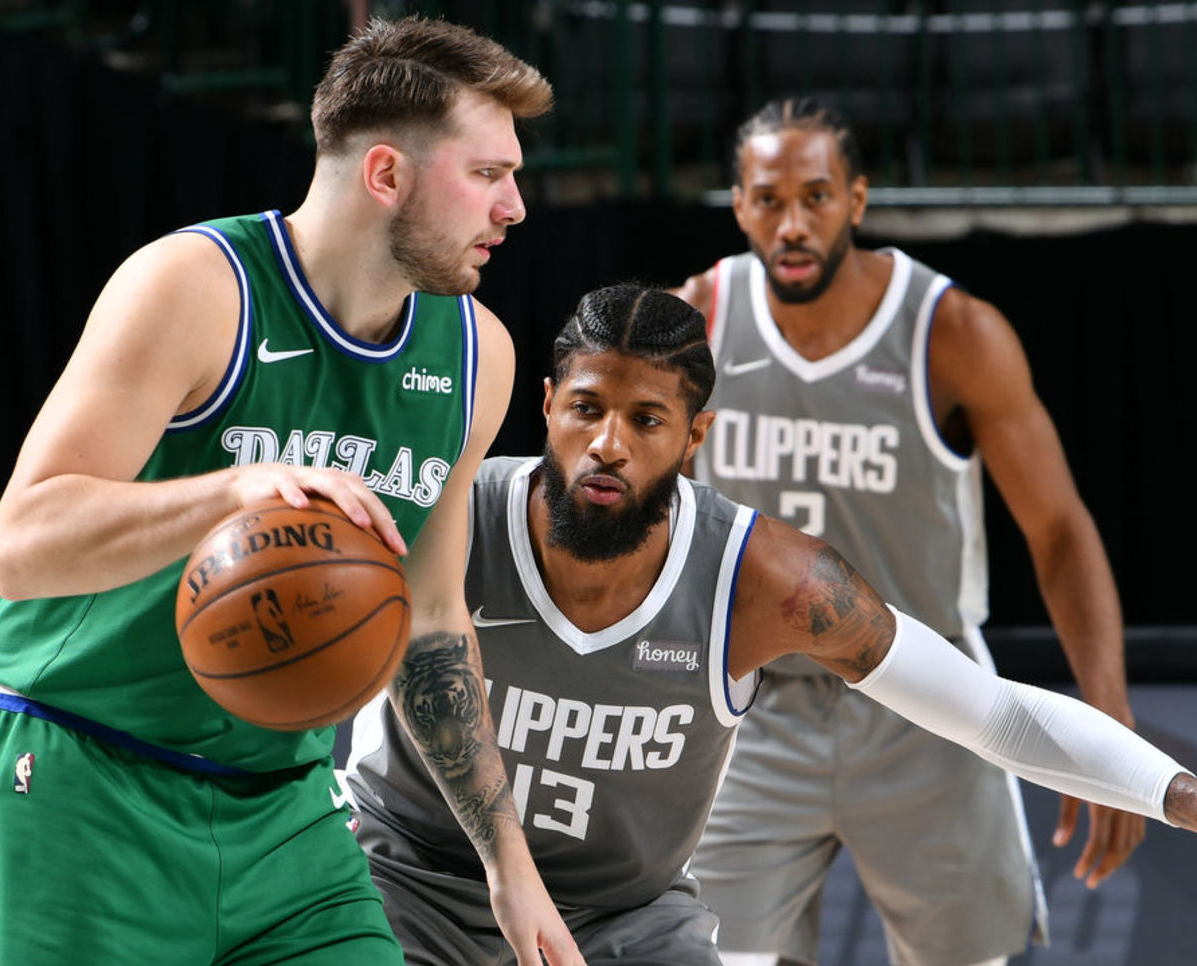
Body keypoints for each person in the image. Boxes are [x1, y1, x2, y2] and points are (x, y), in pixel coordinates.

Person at [0, 17, 584, 966]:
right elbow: (21, 547)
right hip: (82, 783)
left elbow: (435, 621)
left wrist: (509, 865)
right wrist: (228, 492)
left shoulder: (475, 354)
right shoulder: (195, 287)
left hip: (287, 822)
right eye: (489, 175)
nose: (517, 207)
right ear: (385, 174)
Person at [342, 283, 1197, 966]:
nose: (607, 443)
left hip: (620, 919)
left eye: (646, 420)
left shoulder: (769, 580)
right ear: (546, 406)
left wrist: (1177, 793)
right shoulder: (451, 512)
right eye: (586, 408)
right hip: (409, 879)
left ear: (695, 438)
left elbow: (994, 714)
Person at [671, 97, 1140, 966]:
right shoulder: (693, 323)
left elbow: (1061, 531)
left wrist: (1105, 712)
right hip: (752, 711)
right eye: (768, 200)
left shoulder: (952, 332)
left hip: (927, 705)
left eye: (816, 197)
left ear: (856, 199)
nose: (793, 223)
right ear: (738, 206)